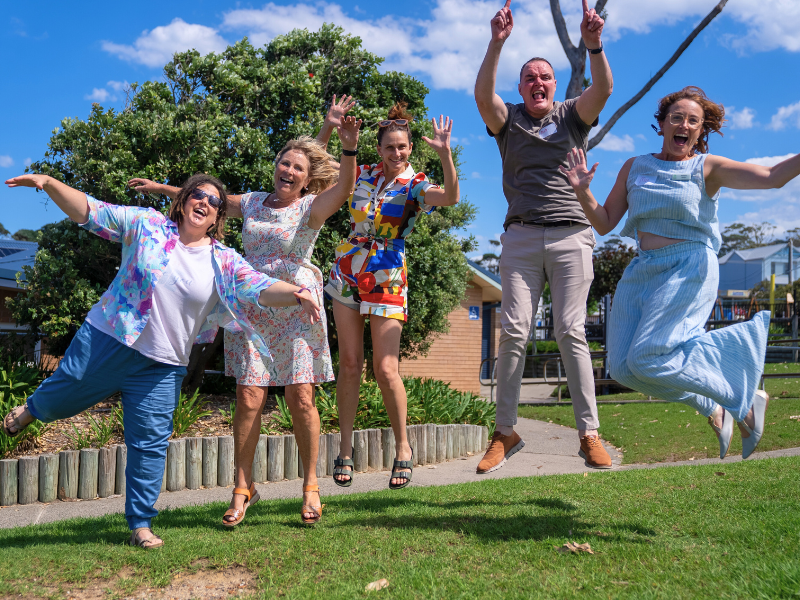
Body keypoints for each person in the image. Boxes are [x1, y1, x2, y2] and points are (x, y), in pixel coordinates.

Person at [1, 173, 321, 547]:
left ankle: (140, 525)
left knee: (150, 443)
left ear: (218, 217)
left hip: (163, 364)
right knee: (67, 386)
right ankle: (32, 409)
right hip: (111, 337)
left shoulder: (223, 260)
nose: (204, 202)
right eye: (197, 195)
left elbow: (261, 287)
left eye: (214, 201)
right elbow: (92, 211)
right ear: (184, 201)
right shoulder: (148, 225)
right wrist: (48, 183)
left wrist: (298, 292)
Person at [128, 104, 361, 526]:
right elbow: (208, 200)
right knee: (249, 398)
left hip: (296, 306)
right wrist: (164, 189)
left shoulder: (310, 209)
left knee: (301, 398)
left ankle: (310, 485)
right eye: (283, 163)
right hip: (252, 306)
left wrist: (348, 149)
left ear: (307, 180)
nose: (288, 171)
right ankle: (242, 487)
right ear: (275, 166)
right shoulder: (252, 202)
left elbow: (344, 188)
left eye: (297, 168)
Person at [560, 86, 799, 459]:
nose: (683, 125)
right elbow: (604, 222)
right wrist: (582, 192)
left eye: (693, 120)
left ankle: (744, 395)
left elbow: (771, 176)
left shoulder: (707, 167)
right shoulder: (635, 166)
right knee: (623, 366)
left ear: (701, 131)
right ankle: (715, 408)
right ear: (662, 123)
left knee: (648, 356)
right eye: (676, 117)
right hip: (642, 270)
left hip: (689, 265)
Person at [473, 0, 614, 472]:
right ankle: (505, 432)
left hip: (573, 234)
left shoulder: (572, 115)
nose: (538, 82)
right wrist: (497, 41)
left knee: (570, 330)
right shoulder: (508, 121)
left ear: (556, 86)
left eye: (545, 77)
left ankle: (589, 434)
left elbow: (605, 88)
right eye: (530, 77)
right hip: (520, 239)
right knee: (513, 330)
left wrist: (593, 45)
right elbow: (481, 95)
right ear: (521, 87)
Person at [324, 103, 459, 489]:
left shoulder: (416, 183)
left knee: (386, 369)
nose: (395, 153)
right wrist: (332, 129)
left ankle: (403, 448)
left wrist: (446, 155)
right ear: (379, 149)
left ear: (411, 147)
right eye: (389, 147)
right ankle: (345, 451)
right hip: (348, 270)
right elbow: (315, 168)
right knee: (349, 364)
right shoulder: (362, 173)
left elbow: (449, 197)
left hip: (387, 276)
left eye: (402, 147)